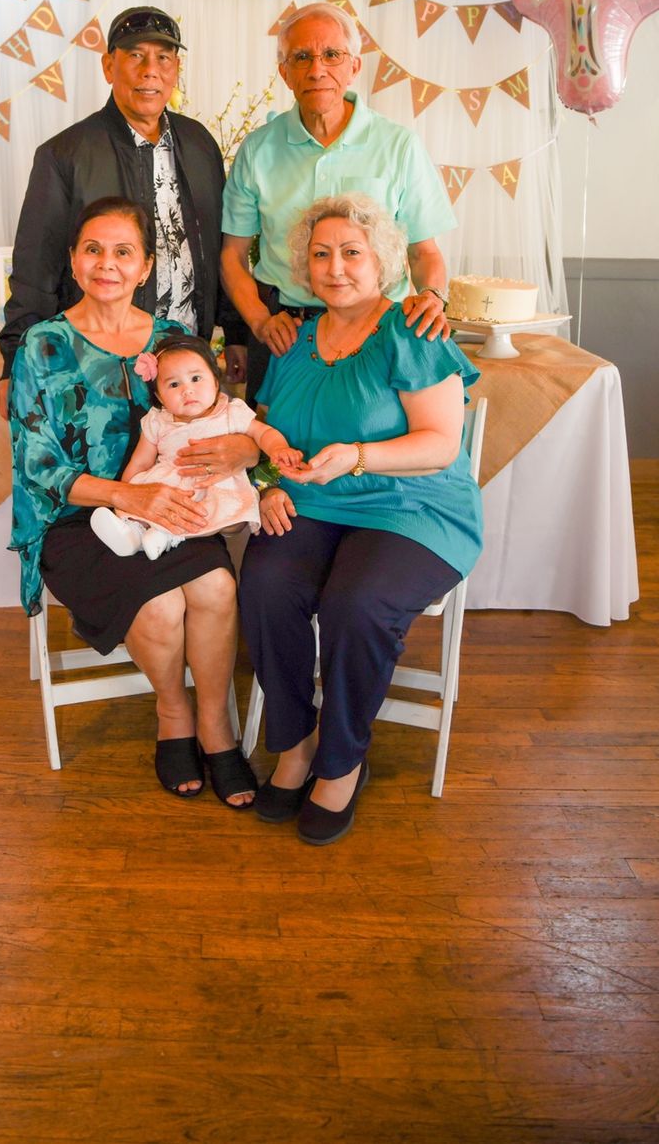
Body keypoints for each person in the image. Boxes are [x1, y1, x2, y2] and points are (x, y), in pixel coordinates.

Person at [238, 193, 483, 846]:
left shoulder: (412, 329)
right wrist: (266, 485)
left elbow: (440, 445)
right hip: (314, 502)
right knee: (265, 583)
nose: (335, 266)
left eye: (352, 252)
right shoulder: (292, 340)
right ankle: (295, 742)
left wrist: (358, 455)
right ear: (304, 266)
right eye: (321, 254)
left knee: (357, 602)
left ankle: (343, 759)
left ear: (382, 262)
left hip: (413, 507)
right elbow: (265, 434)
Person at [10, 196, 258, 808]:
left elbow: (229, 418)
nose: (107, 264)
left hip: (176, 510)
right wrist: (130, 494)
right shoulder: (43, 344)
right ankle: (174, 715)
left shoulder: (175, 342)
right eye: (93, 250)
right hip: (78, 520)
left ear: (146, 266)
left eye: (123, 252)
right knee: (160, 605)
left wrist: (246, 450)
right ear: (73, 258)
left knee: (216, 586)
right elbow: (38, 465)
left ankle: (216, 726)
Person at [0, 5, 246, 420]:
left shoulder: (199, 144)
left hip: (186, 365)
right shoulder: (65, 154)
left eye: (163, 58)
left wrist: (235, 332)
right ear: (109, 66)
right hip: (96, 362)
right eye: (135, 56)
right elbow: (34, 267)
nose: (151, 71)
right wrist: (13, 363)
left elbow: (217, 245)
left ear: (176, 69)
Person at [220, 0, 458, 400]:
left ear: (354, 66)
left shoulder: (399, 145)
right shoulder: (258, 150)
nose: (317, 70)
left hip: (377, 333)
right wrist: (260, 322)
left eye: (332, 55)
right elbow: (232, 255)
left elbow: (424, 252)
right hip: (283, 333)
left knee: (371, 435)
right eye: (302, 57)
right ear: (284, 72)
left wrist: (432, 297)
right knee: (272, 438)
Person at [90, 332, 301, 561]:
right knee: (150, 504)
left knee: (225, 517)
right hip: (170, 484)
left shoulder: (230, 412)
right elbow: (141, 462)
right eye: (174, 384)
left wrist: (278, 449)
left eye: (196, 378)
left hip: (214, 485)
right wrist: (128, 496)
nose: (187, 390)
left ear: (216, 382)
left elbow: (263, 433)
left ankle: (169, 535)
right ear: (159, 397)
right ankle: (135, 531)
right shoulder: (157, 420)